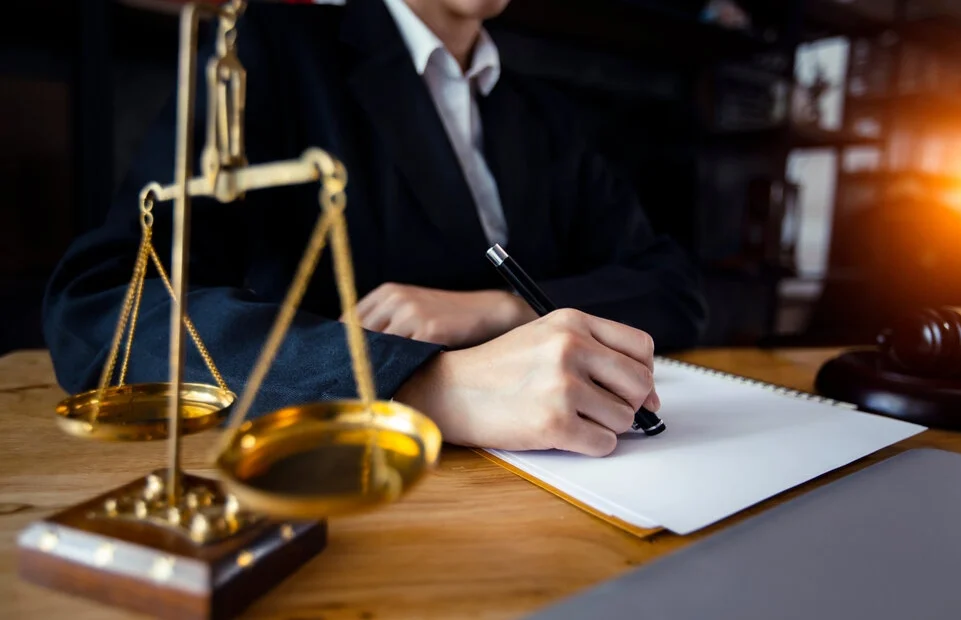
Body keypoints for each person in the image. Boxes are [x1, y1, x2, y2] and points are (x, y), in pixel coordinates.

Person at [42, 0, 707, 457]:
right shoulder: (272, 49)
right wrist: (425, 385)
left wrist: (494, 308)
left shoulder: (547, 116)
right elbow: (105, 306)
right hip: (352, 480)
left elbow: (675, 289)